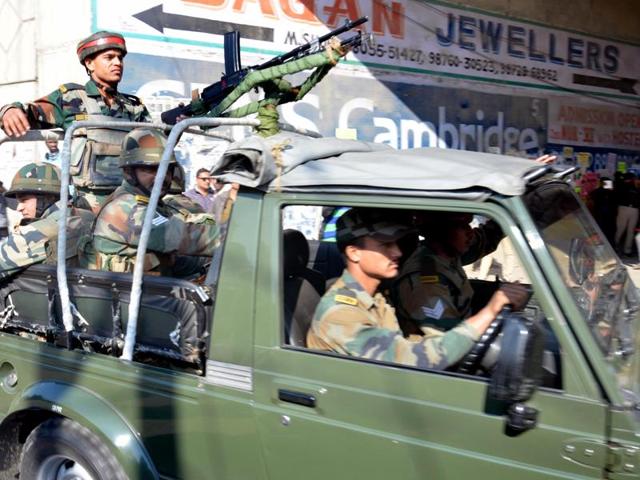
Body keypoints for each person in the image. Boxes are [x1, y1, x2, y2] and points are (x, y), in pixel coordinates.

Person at [306, 208, 528, 370]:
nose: (398, 253)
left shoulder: (376, 294)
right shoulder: (341, 313)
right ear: (354, 253)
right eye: (385, 245)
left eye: (397, 243)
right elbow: (416, 359)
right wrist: (490, 311)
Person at [81, 128, 221, 277]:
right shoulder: (127, 209)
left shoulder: (150, 203)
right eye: (150, 169)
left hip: (145, 289)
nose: (161, 177)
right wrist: (237, 238)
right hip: (125, 295)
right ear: (128, 172)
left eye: (166, 169)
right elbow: (190, 237)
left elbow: (186, 223)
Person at [392, 211, 529, 336]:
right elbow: (449, 341)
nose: (470, 232)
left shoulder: (448, 255)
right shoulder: (424, 281)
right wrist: (492, 310)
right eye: (462, 227)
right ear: (441, 232)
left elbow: (485, 239)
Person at [0, 31, 150, 136]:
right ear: (90, 64)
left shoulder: (134, 107)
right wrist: (10, 110)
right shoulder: (69, 99)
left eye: (120, 58)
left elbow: (156, 142)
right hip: (87, 183)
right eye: (109, 57)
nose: (117, 63)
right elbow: (31, 114)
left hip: (129, 182)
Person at [0, 163, 94, 279]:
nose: (19, 207)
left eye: (24, 200)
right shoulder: (87, 216)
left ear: (45, 197)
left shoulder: (35, 233)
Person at [614, 172, 640, 256]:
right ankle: (615, 246)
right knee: (622, 229)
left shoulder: (636, 187)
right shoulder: (622, 185)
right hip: (624, 208)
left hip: (633, 209)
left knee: (629, 230)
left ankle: (626, 250)